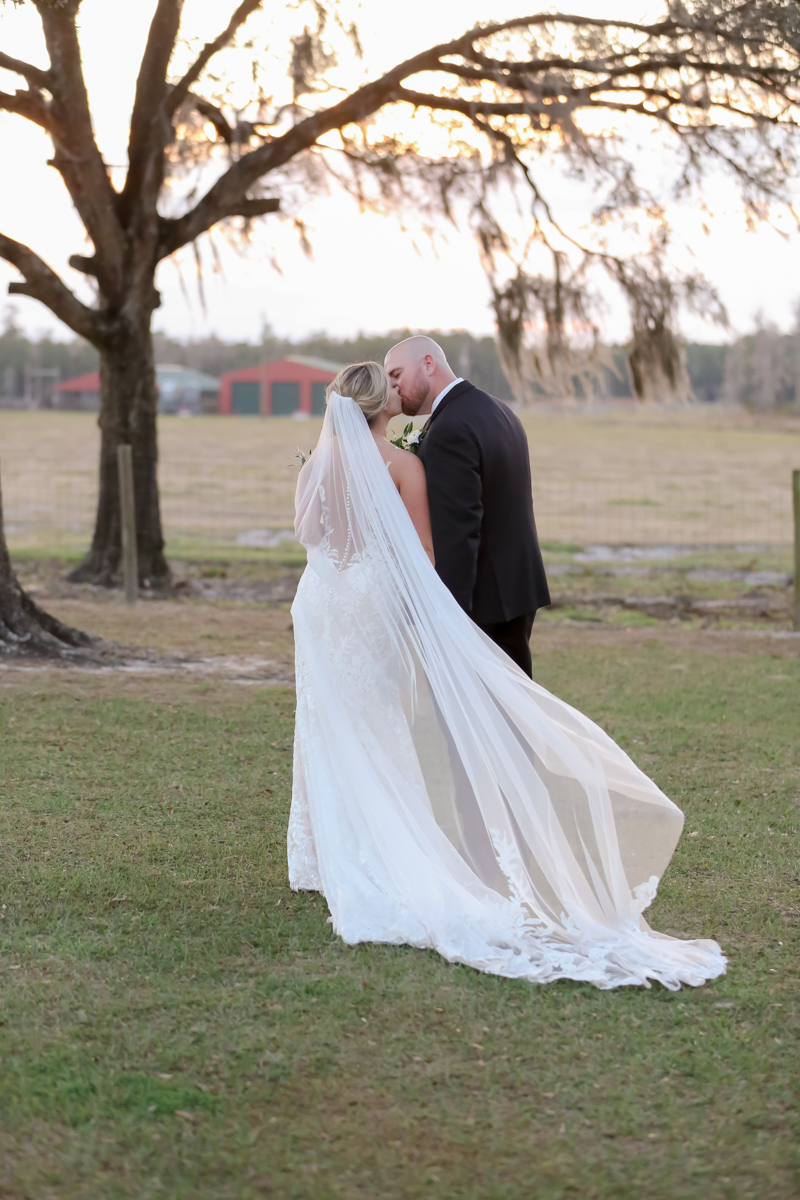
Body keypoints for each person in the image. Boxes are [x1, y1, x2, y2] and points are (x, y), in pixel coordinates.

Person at [288, 362, 725, 990]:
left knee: (326, 719)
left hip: (322, 603)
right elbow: (425, 554)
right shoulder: (404, 465)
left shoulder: (316, 467)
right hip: (371, 604)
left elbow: (307, 533)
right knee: (379, 718)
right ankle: (387, 847)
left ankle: (329, 852)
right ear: (384, 407)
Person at [384, 336, 550, 677]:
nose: (394, 386)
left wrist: (448, 615)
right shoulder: (498, 410)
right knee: (511, 700)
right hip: (517, 587)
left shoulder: (450, 428)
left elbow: (458, 532)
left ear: (428, 363)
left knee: (481, 706)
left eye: (397, 374)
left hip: (481, 601)